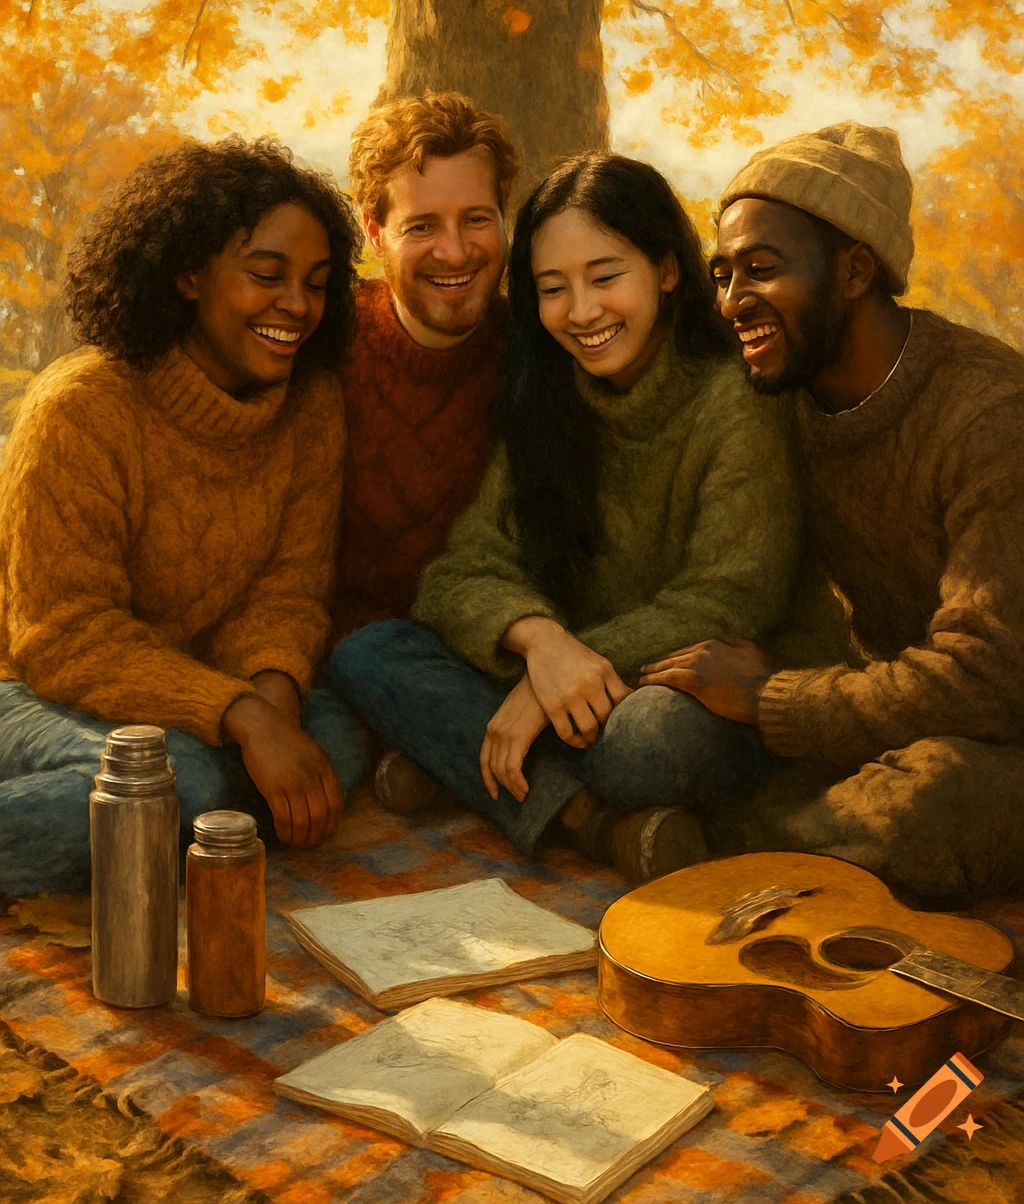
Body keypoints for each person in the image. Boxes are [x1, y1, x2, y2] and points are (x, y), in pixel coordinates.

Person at [332, 152, 805, 882]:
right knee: (370, 653)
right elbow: (460, 571)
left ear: (666, 270)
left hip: (688, 690)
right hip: (577, 683)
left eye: (605, 278)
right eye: (554, 289)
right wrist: (543, 644)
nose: (582, 313)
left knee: (645, 746)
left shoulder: (733, 401)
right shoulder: (549, 394)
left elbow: (730, 598)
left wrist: (545, 685)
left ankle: (464, 758)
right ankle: (590, 821)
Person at [647, 121, 1024, 902]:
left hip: (998, 729)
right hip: (886, 712)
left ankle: (700, 848)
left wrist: (771, 699)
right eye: (722, 275)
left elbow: (990, 677)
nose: (732, 302)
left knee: (930, 801)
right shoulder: (782, 392)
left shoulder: (989, 416)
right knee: (672, 736)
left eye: (762, 270)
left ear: (855, 270)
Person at [0, 139, 370, 897]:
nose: (296, 305)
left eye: (316, 283)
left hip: (197, 693)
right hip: (32, 687)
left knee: (335, 736)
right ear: (188, 274)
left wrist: (273, 710)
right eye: (266, 275)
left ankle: (177, 817)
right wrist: (244, 718)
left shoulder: (311, 404)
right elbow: (63, 639)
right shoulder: (81, 407)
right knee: (176, 784)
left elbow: (288, 594)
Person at [333, 92, 513, 810]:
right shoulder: (326, 345)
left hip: (495, 651)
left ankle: (435, 759)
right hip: (353, 659)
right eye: (422, 226)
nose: (456, 251)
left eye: (477, 219)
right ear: (374, 232)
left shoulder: (540, 351)